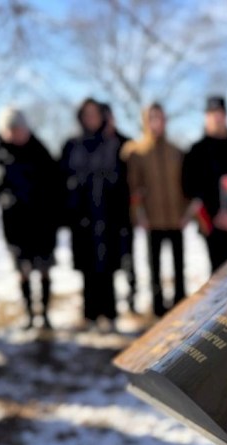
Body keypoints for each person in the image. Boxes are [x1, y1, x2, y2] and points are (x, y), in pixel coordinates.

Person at [0, 107, 61, 330]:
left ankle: (44, 315)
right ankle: (29, 315)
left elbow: (56, 186)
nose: (15, 133)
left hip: (43, 222)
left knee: (44, 269)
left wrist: (59, 218)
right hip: (14, 223)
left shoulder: (41, 150)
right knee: (22, 272)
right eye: (11, 129)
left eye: (19, 128)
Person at [60, 98, 130, 327]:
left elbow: (124, 180)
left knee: (108, 266)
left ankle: (109, 314)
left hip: (109, 216)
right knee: (88, 267)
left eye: (95, 114)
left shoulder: (113, 143)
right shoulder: (71, 145)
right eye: (86, 114)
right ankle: (90, 313)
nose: (91, 118)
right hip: (82, 216)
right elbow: (60, 180)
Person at [122, 103, 188, 317]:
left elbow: (184, 186)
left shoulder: (176, 152)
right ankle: (158, 307)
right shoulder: (137, 152)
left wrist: (186, 213)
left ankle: (180, 301)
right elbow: (134, 186)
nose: (156, 123)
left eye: (160, 118)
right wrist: (139, 214)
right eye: (152, 118)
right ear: (145, 121)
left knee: (179, 264)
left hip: (176, 218)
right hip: (153, 220)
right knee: (154, 266)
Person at [182, 95, 227, 273]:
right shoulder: (196, 151)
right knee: (219, 276)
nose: (216, 118)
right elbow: (189, 187)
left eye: (220, 113)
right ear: (206, 117)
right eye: (212, 113)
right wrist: (215, 215)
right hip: (212, 227)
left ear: (226, 116)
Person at [100, 102, 137, 312]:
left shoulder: (127, 144)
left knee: (129, 259)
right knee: (111, 261)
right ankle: (113, 303)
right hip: (106, 214)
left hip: (126, 212)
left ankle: (132, 298)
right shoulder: (98, 146)